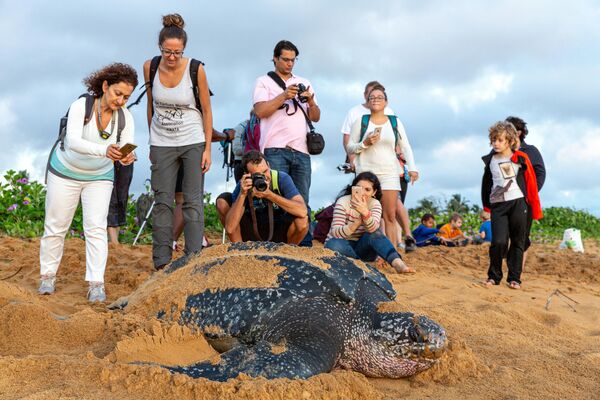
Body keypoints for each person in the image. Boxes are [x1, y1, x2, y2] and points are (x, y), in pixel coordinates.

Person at [39, 63, 138, 302]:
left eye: (126, 97)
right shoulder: (80, 106)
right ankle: (47, 277)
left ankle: (96, 283)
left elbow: (125, 148)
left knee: (95, 228)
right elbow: (73, 141)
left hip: (99, 176)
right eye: (118, 94)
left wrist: (126, 157)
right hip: (65, 171)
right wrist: (106, 150)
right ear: (105, 86)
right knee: (56, 226)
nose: (121, 101)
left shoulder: (125, 117)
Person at [144, 14, 213, 269]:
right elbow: (151, 104)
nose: (172, 57)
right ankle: (161, 262)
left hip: (192, 139)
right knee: (162, 200)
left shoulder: (196, 69)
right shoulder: (150, 66)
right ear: (160, 47)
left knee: (193, 201)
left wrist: (207, 149)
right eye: (167, 52)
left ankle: (192, 260)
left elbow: (206, 109)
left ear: (184, 49)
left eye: (177, 52)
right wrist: (151, 141)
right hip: (161, 141)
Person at [253, 40, 320, 246]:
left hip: (301, 150)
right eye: (286, 59)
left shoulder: (304, 81)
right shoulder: (264, 82)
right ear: (275, 58)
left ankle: (304, 244)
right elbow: (260, 111)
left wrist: (309, 100)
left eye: (293, 60)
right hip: (274, 149)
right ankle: (277, 243)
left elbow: (316, 117)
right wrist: (284, 95)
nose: (290, 64)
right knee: (274, 198)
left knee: (302, 200)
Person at [340, 81, 417, 252]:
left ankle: (392, 254)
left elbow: (406, 146)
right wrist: (365, 143)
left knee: (389, 216)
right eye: (372, 97)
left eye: (380, 97)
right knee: (366, 214)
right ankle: (370, 252)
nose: (375, 99)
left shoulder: (394, 122)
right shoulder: (361, 121)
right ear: (367, 101)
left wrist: (413, 168)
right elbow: (350, 147)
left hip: (389, 172)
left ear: (386, 102)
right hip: (366, 174)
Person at [481, 121, 542, 289]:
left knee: (518, 241)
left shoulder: (520, 158)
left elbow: (531, 182)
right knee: (499, 242)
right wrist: (486, 207)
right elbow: (486, 185)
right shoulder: (490, 161)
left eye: (500, 140)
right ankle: (494, 276)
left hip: (519, 203)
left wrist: (533, 206)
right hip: (498, 205)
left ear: (509, 141)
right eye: (493, 140)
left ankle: (514, 278)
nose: (495, 143)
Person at [324, 172, 413, 274]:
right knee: (333, 243)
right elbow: (335, 233)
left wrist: (365, 213)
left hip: (364, 248)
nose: (362, 192)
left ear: (374, 192)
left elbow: (373, 230)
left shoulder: (375, 204)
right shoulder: (343, 202)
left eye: (367, 189)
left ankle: (398, 263)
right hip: (342, 245)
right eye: (359, 188)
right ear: (353, 188)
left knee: (375, 232)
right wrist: (356, 223)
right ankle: (361, 264)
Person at [222, 150, 309, 244]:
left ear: (268, 165)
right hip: (252, 230)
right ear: (247, 174)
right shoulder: (243, 185)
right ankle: (239, 250)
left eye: (265, 171)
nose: (263, 177)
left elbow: (302, 211)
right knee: (222, 201)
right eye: (257, 175)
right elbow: (230, 228)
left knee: (302, 220)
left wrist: (269, 195)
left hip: (278, 228)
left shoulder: (281, 178)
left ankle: (288, 252)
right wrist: (243, 194)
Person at [505, 116, 546, 269]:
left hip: (524, 202)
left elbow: (541, 173)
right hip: (504, 200)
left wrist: (530, 193)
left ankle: (516, 271)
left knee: (522, 237)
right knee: (504, 235)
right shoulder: (499, 150)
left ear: (519, 133)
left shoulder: (531, 151)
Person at [107, 163, 133, 244]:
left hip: (126, 155)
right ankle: (113, 241)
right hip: (105, 156)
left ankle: (114, 239)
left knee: (122, 197)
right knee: (111, 196)